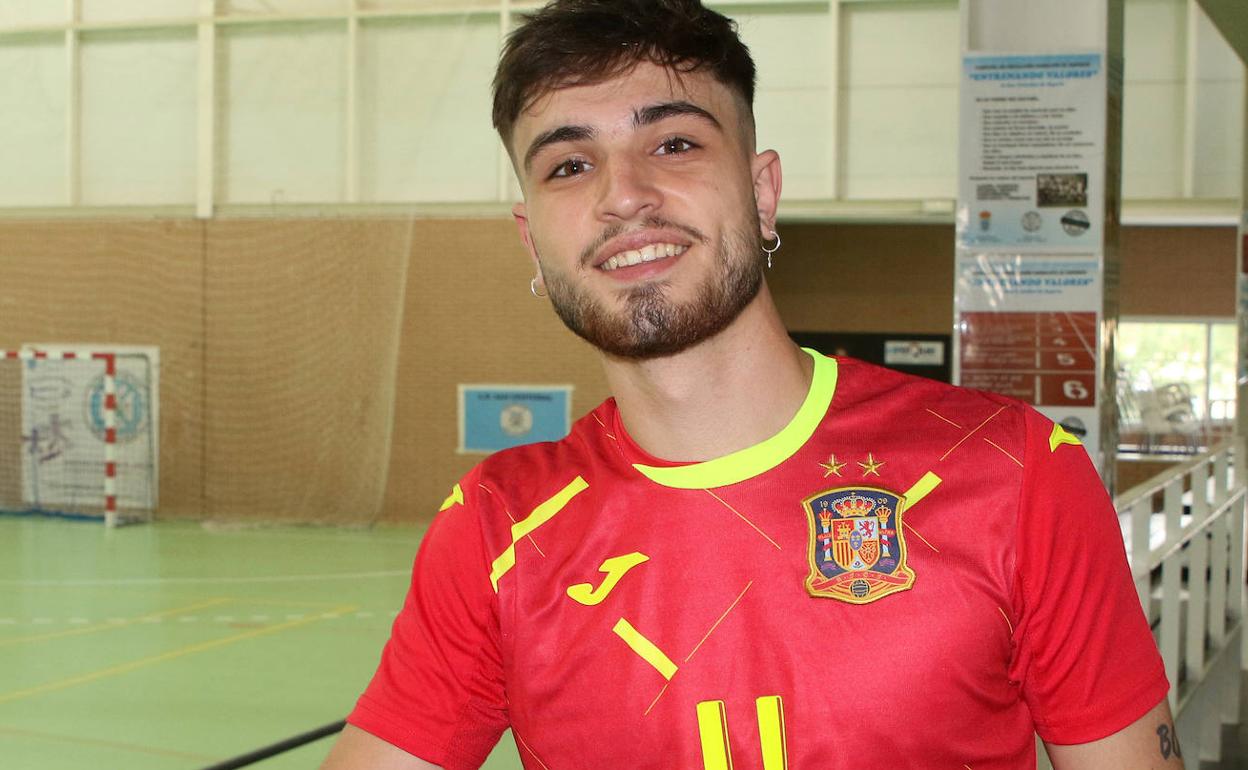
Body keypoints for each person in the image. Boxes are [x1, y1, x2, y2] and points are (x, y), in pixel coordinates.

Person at [322, 1, 1180, 767]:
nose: (625, 195)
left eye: (675, 143)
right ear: (531, 242)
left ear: (763, 193)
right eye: (569, 166)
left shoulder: (1015, 472)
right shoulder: (498, 531)